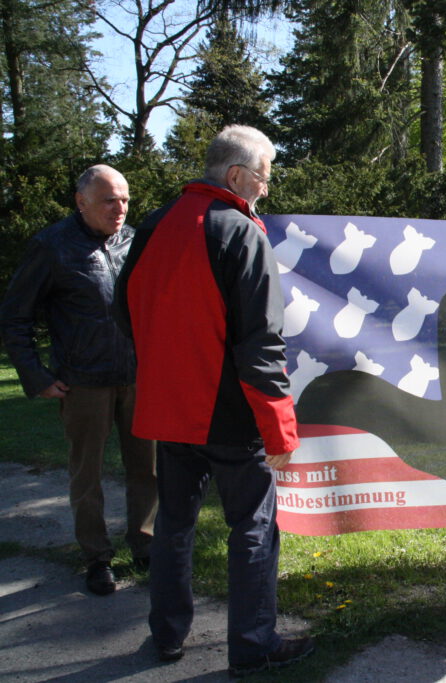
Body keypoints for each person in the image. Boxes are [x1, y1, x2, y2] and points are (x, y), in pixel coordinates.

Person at [114, 125, 313, 675]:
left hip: (168, 410)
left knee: (174, 525)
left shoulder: (154, 225)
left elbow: (124, 313)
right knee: (252, 525)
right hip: (229, 416)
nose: (267, 189)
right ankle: (254, 644)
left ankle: (167, 636)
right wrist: (280, 429)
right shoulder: (240, 231)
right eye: (264, 175)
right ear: (236, 176)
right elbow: (261, 342)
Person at [0, 165, 157, 595]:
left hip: (136, 377)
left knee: (147, 468)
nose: (120, 208)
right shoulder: (52, 246)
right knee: (86, 474)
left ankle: (145, 546)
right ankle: (96, 557)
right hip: (83, 381)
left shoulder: (136, 242)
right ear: (81, 202)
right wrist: (36, 376)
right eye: (109, 200)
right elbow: (15, 316)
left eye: (125, 199)